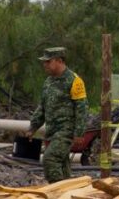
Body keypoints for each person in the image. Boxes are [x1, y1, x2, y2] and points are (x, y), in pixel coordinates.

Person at [26, 47, 88, 183]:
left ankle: (56, 192)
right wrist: (33, 128)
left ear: (59, 61)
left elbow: (82, 109)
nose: (45, 65)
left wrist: (79, 133)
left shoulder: (74, 81)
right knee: (62, 165)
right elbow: (42, 107)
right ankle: (67, 191)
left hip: (66, 131)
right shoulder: (48, 82)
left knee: (50, 159)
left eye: (48, 62)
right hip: (52, 132)